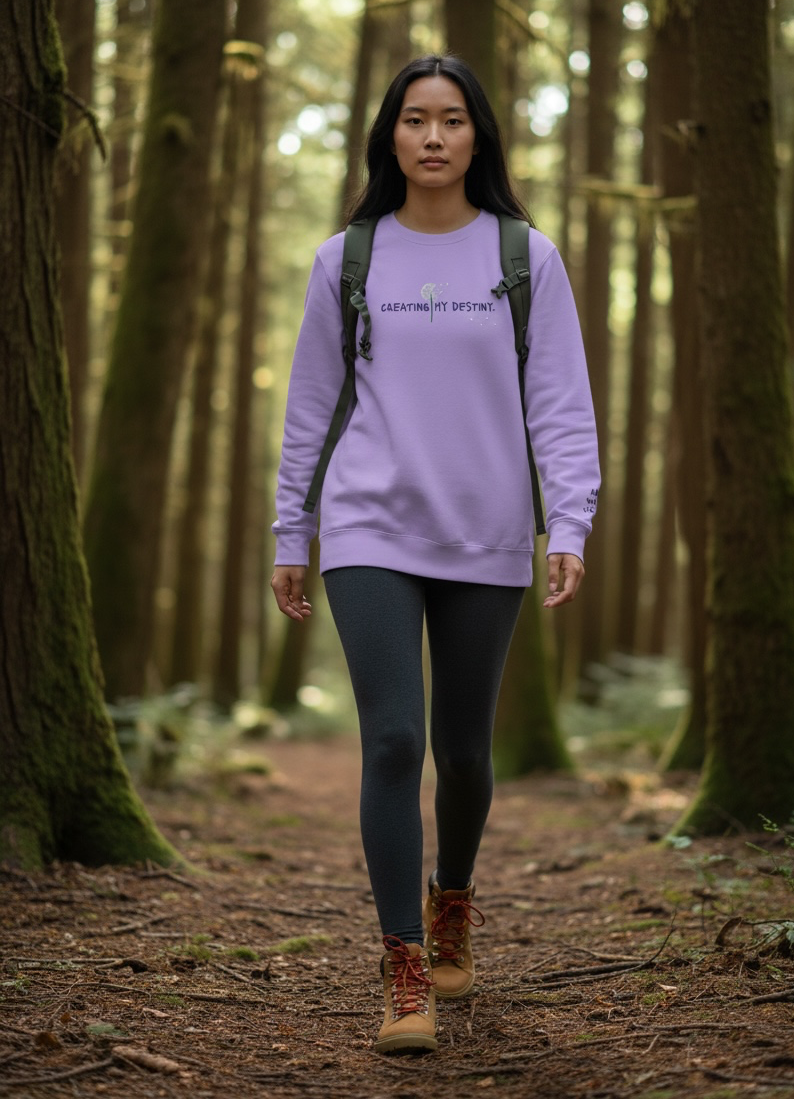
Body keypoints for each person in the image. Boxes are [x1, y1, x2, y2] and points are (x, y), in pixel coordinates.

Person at [270, 53, 600, 1055]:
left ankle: (452, 896)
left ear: (477, 137)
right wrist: (294, 530)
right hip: (370, 521)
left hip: (488, 527)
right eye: (413, 120)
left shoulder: (522, 256)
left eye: (451, 120)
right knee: (390, 743)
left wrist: (569, 523)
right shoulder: (348, 258)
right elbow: (309, 412)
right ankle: (403, 968)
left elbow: (561, 406)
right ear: (389, 137)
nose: (431, 138)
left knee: (462, 752)